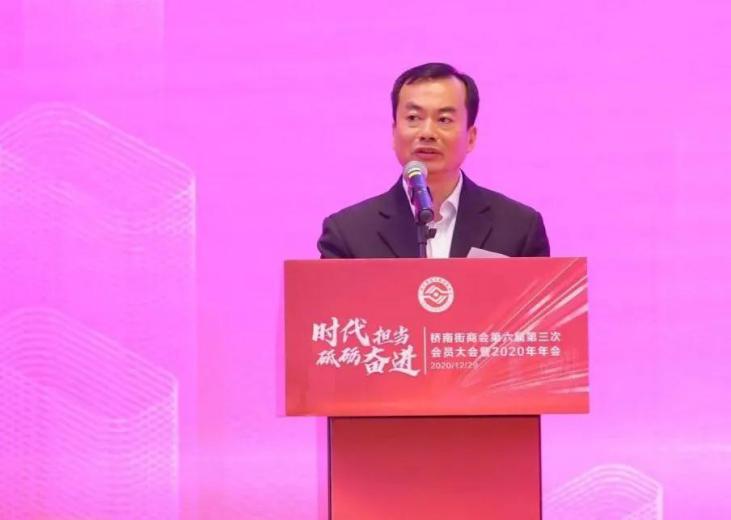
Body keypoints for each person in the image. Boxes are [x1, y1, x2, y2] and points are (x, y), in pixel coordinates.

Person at [317, 62, 549, 259]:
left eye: (444, 119)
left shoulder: (518, 229)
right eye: (413, 118)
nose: (427, 132)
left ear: (470, 137)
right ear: (394, 132)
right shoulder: (348, 234)